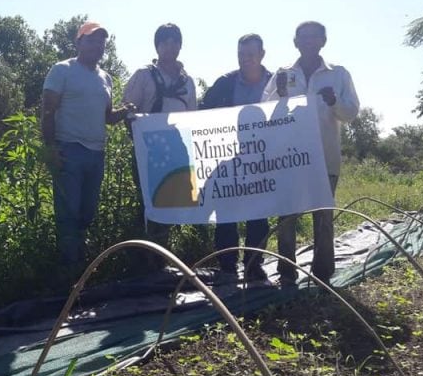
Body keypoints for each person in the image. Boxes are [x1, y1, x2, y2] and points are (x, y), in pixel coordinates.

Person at [262, 21, 359, 286]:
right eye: (303, 37)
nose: (308, 41)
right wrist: (280, 94)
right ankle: (286, 273)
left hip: (325, 158)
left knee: (324, 218)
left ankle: (323, 274)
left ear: (323, 41)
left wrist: (334, 102)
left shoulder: (338, 74)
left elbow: (351, 113)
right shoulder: (282, 74)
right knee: (286, 218)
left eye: (314, 37)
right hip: (289, 158)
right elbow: (264, 111)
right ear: (295, 42)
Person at [41, 21, 135, 274]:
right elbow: (48, 110)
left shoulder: (105, 78)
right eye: (91, 39)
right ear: (78, 42)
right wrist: (49, 148)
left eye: (101, 41)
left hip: (96, 153)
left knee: (87, 212)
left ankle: (79, 265)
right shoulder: (62, 70)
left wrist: (124, 112)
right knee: (68, 213)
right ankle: (69, 272)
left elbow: (107, 117)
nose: (97, 45)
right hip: (68, 150)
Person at [201, 34, 272, 286]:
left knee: (259, 215)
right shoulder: (224, 83)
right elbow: (202, 112)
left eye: (251, 54)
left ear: (262, 54)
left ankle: (254, 266)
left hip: (264, 159)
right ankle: (227, 266)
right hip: (228, 158)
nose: (246, 59)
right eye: (241, 54)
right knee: (227, 215)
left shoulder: (276, 83)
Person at [123, 23, 197, 254]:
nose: (170, 46)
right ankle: (146, 257)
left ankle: (166, 256)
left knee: (174, 204)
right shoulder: (143, 75)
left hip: (178, 152)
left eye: (175, 41)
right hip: (148, 153)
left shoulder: (188, 81)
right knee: (149, 204)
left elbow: (194, 117)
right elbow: (127, 112)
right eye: (165, 42)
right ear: (157, 46)